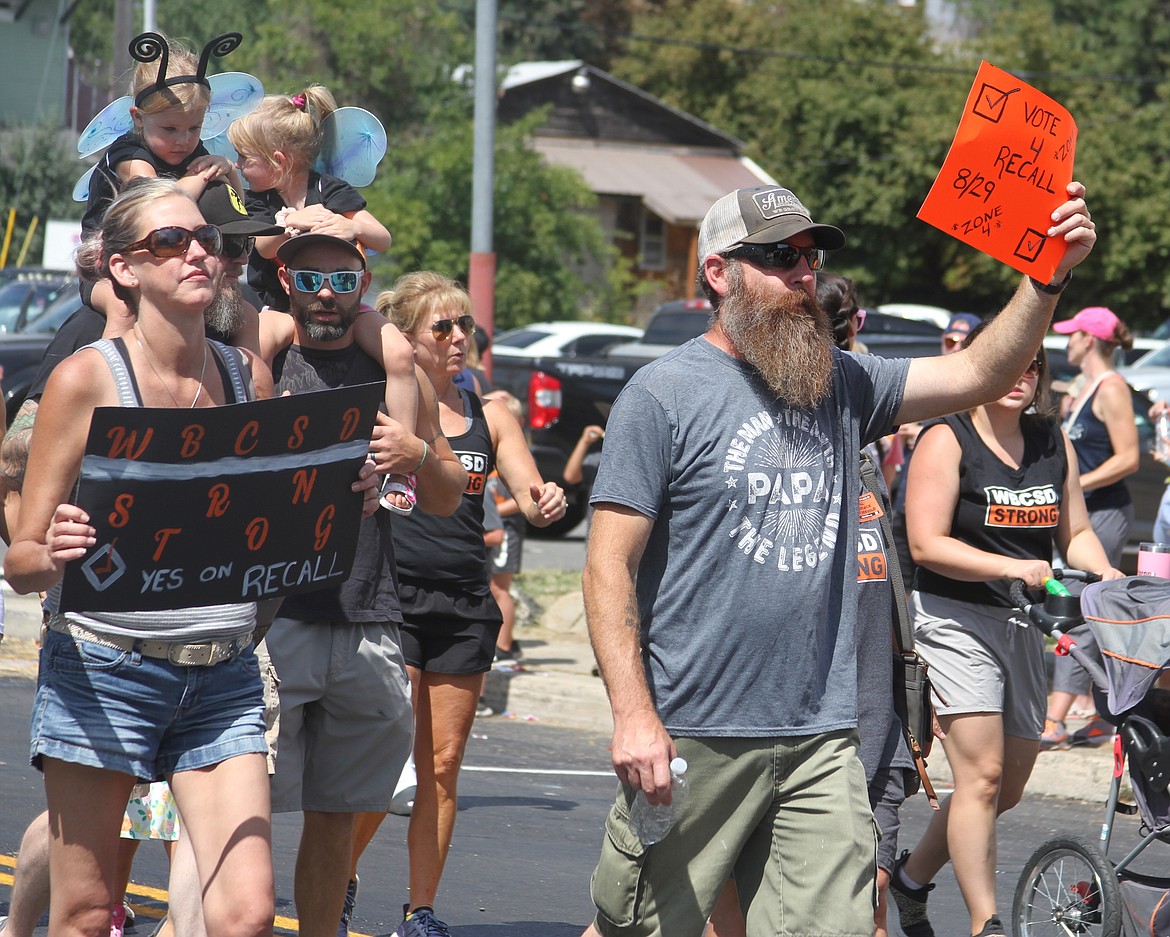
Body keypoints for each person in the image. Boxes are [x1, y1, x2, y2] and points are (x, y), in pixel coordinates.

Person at [580, 180, 1097, 937]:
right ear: (719, 273)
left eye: (808, 257)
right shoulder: (662, 394)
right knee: (638, 928)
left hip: (822, 736)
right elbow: (606, 567)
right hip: (695, 730)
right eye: (778, 256)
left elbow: (980, 372)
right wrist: (632, 715)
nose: (802, 274)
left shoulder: (842, 383)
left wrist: (1045, 278)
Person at [4, 177, 289, 937]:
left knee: (246, 913)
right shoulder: (88, 378)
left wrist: (337, 494)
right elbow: (22, 561)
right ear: (124, 268)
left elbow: (270, 523)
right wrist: (51, 548)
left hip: (223, 672)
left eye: (208, 241)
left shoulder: (242, 375)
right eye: (170, 241)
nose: (198, 252)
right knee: (90, 914)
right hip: (105, 671)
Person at [348, 271, 567, 937]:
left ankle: (420, 911)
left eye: (464, 325)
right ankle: (337, 880)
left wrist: (545, 498)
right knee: (388, 764)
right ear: (407, 339)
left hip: (465, 602)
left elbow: (529, 486)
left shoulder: (491, 411)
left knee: (442, 766)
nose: (458, 337)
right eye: (441, 326)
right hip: (395, 599)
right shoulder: (388, 407)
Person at [262, 236, 467, 937]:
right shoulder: (256, 351)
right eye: (311, 275)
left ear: (363, 280)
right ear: (286, 276)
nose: (326, 291)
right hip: (268, 621)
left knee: (335, 817)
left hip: (366, 615)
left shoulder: (394, 370)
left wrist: (415, 455)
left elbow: (443, 496)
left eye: (342, 277)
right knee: (235, 808)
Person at [890, 322, 1123, 937]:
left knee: (1005, 788)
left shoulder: (1052, 441)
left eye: (1033, 368)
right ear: (984, 367)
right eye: (1010, 365)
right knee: (982, 776)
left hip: (1022, 623)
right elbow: (925, 543)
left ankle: (909, 880)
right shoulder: (947, 438)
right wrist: (1011, 565)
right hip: (953, 619)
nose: (1022, 378)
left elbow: (1074, 532)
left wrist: (1109, 577)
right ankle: (984, 922)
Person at [705, 273, 919, 937]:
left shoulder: (867, 481)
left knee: (864, 914)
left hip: (867, 743)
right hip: (757, 741)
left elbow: (888, 619)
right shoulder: (754, 481)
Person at [227, 86, 418, 513]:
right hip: (281, 306)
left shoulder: (330, 191)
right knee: (253, 349)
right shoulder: (256, 201)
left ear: (278, 161)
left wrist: (350, 228)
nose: (239, 167)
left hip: (342, 300)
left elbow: (382, 237)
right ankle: (256, 437)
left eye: (245, 159)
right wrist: (291, 224)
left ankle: (401, 467)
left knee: (401, 354)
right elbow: (261, 249)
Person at [82, 31, 245, 338]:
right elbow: (157, 204)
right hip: (106, 267)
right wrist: (200, 177)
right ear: (139, 118)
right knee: (122, 310)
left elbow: (237, 207)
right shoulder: (129, 154)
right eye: (170, 128)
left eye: (194, 127)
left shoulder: (194, 150)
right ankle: (109, 372)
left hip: (159, 261)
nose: (183, 140)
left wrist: (229, 171)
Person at [1042, 305, 1138, 748]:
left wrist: (1075, 485)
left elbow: (1128, 458)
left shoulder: (1112, 387)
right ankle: (1104, 713)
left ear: (1091, 339)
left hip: (1103, 515)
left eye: (1072, 335)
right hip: (1081, 516)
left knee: (1080, 613)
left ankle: (1055, 719)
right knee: (1084, 612)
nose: (1067, 342)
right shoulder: (1080, 389)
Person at [890, 312, 981, 591]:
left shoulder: (978, 390)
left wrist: (923, 437)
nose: (954, 346)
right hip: (905, 509)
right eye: (949, 340)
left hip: (947, 521)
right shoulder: (930, 379)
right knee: (898, 602)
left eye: (962, 341)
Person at [483, 388, 527, 663]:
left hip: (507, 528)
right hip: (493, 525)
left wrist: (492, 512)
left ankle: (505, 645)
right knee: (491, 586)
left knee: (501, 589)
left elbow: (522, 499)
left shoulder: (518, 454)